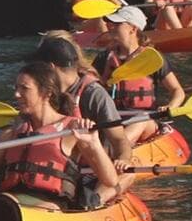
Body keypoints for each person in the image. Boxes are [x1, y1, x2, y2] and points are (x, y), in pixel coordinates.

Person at [0, 61, 120, 212]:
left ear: (46, 93)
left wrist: (95, 144)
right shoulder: (11, 135)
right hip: (10, 205)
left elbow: (110, 180)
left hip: (49, 209)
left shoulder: (72, 130)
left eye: (24, 88)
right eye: (16, 88)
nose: (16, 94)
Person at [95, 7, 187, 156]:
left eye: (117, 24)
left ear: (133, 28)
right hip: (112, 120)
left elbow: (178, 91)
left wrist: (170, 107)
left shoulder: (152, 59)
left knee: (140, 120)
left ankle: (113, 154)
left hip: (146, 121)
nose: (111, 27)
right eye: (111, 24)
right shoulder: (104, 58)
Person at [32, 34, 132, 163]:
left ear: (50, 67)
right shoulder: (42, 93)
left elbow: (119, 140)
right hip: (52, 163)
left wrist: (123, 159)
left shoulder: (94, 94)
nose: (35, 73)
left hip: (91, 166)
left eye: (38, 67)